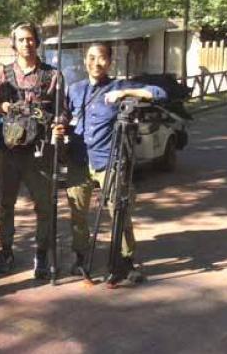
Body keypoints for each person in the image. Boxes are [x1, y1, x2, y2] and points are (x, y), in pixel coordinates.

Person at [62, 42, 167, 285]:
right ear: (84, 60)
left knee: (119, 210)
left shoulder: (119, 86)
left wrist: (124, 94)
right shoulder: (75, 90)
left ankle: (126, 261)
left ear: (109, 61)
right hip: (78, 159)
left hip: (109, 159)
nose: (95, 63)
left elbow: (159, 93)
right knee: (77, 212)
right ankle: (80, 257)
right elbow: (65, 117)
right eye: (90, 58)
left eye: (101, 58)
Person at [0, 22, 65, 279]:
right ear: (14, 44)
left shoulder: (52, 75)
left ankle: (42, 253)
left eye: (30, 39)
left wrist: (58, 124)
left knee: (44, 205)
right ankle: (6, 250)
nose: (26, 44)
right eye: (21, 40)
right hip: (7, 151)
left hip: (39, 152)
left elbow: (62, 110)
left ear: (37, 41)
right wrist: (5, 107)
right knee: (5, 205)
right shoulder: (3, 75)